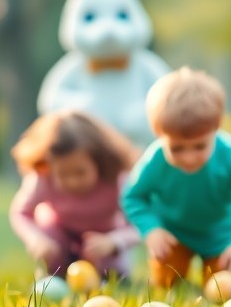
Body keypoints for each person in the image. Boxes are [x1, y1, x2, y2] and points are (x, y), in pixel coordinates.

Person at [122, 67, 231, 290]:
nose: (189, 158)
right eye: (177, 148)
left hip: (221, 237)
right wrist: (152, 230)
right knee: (165, 284)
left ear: (215, 128)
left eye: (200, 146)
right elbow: (133, 197)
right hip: (173, 237)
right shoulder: (155, 159)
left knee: (223, 289)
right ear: (159, 134)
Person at [9, 110, 140, 279]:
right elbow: (20, 213)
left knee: (113, 274)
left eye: (80, 172)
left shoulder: (116, 179)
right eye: (63, 174)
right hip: (59, 238)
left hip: (103, 241)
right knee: (54, 264)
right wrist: (36, 239)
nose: (73, 182)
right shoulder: (43, 178)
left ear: (98, 160)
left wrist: (113, 241)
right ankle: (57, 274)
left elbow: (138, 224)